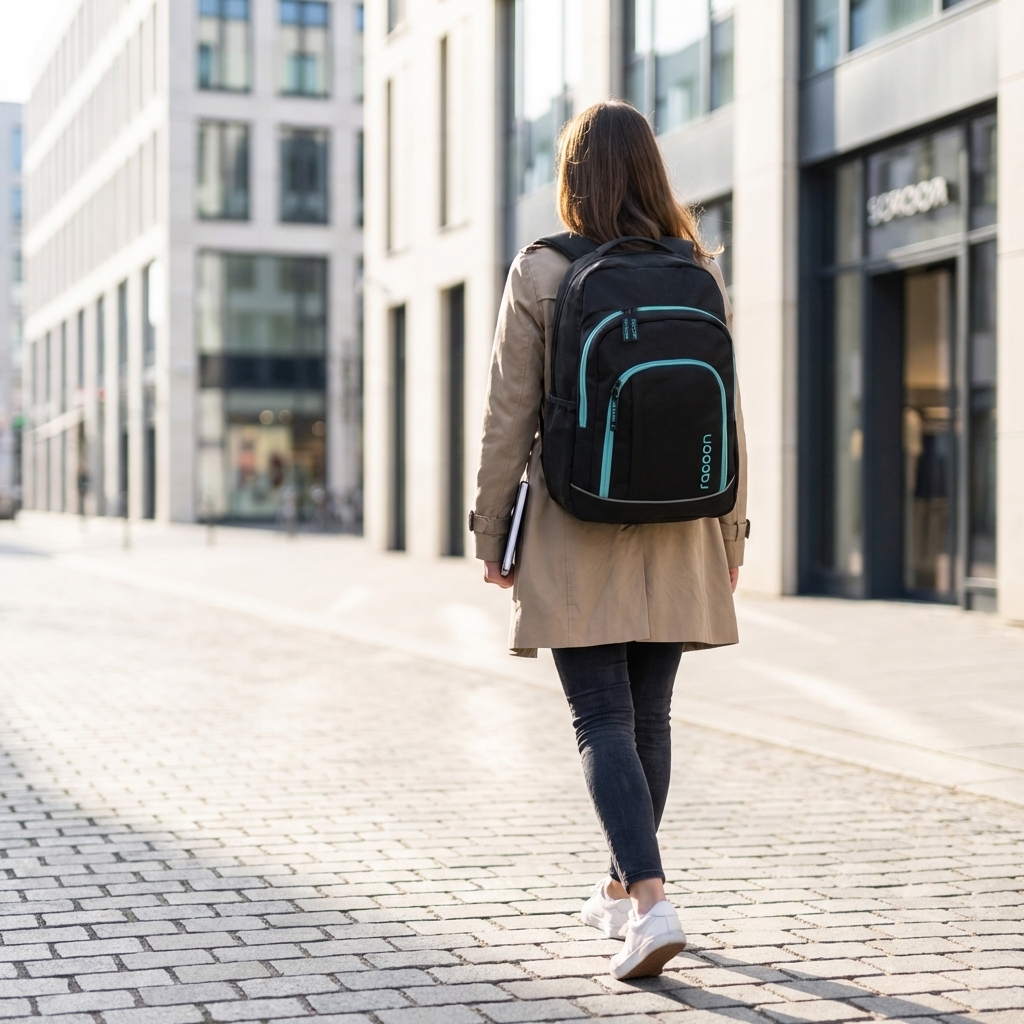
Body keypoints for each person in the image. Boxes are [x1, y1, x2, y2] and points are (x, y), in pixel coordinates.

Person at [470, 101, 748, 980]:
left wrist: (491, 529)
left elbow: (508, 415)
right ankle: (622, 888)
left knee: (601, 717)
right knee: (647, 717)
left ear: (573, 177)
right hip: (683, 523)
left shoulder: (541, 270)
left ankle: (653, 905)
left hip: (576, 520)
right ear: (653, 172)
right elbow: (730, 417)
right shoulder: (698, 269)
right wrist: (732, 534)